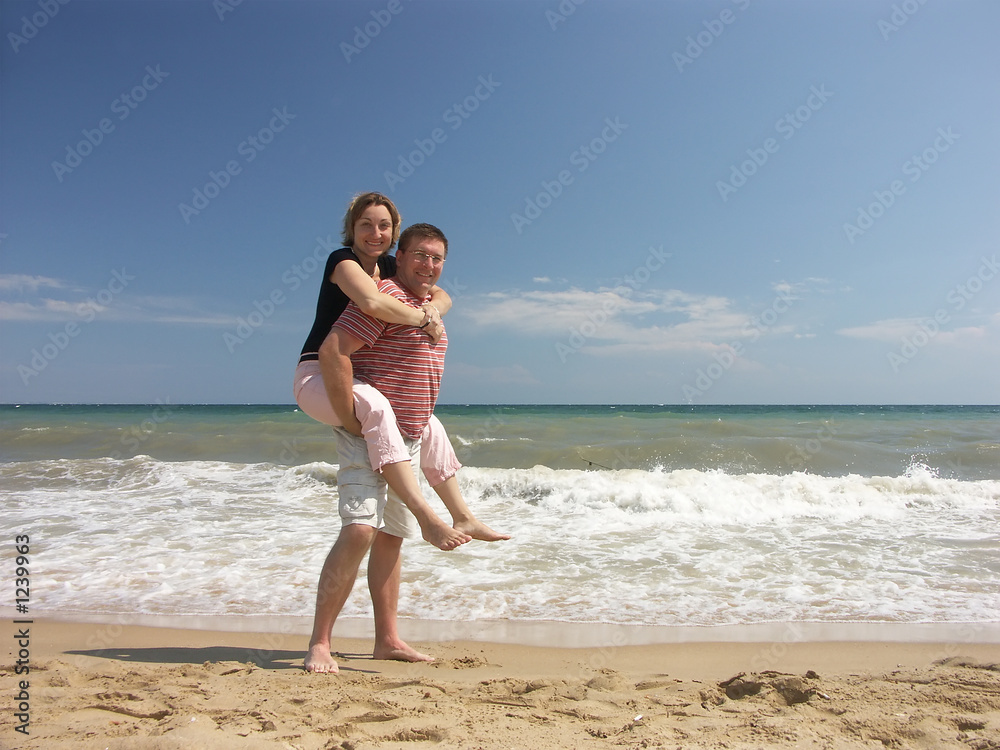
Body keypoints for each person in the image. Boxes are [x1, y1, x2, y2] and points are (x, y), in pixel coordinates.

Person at [293, 192, 507, 548]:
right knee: (378, 409)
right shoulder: (342, 261)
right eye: (366, 224)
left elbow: (442, 294)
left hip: (354, 372)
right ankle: (427, 518)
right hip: (319, 371)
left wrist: (433, 311)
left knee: (428, 424)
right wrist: (422, 319)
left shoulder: (392, 266)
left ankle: (463, 516)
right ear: (351, 228)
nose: (375, 233)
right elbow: (373, 302)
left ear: (394, 233)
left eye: (384, 225)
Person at [305, 223, 468, 673]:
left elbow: (440, 299)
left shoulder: (427, 301)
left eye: (437, 258)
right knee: (360, 530)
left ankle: (387, 640)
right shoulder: (379, 294)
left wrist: (433, 309)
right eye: (420, 255)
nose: (429, 264)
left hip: (403, 435)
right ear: (401, 255)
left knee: (391, 538)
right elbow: (334, 348)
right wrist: (350, 418)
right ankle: (320, 642)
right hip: (367, 425)